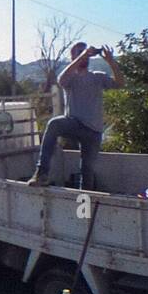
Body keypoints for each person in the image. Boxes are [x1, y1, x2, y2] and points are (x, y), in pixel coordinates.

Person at [24, 42, 115, 189]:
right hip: (75, 124)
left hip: (94, 131)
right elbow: (61, 80)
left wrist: (111, 62)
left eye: (84, 52)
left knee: (87, 170)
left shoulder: (98, 77)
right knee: (54, 124)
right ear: (73, 57)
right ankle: (42, 174)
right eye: (78, 52)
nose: (83, 55)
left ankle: (85, 204)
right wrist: (81, 56)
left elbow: (120, 83)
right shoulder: (70, 78)